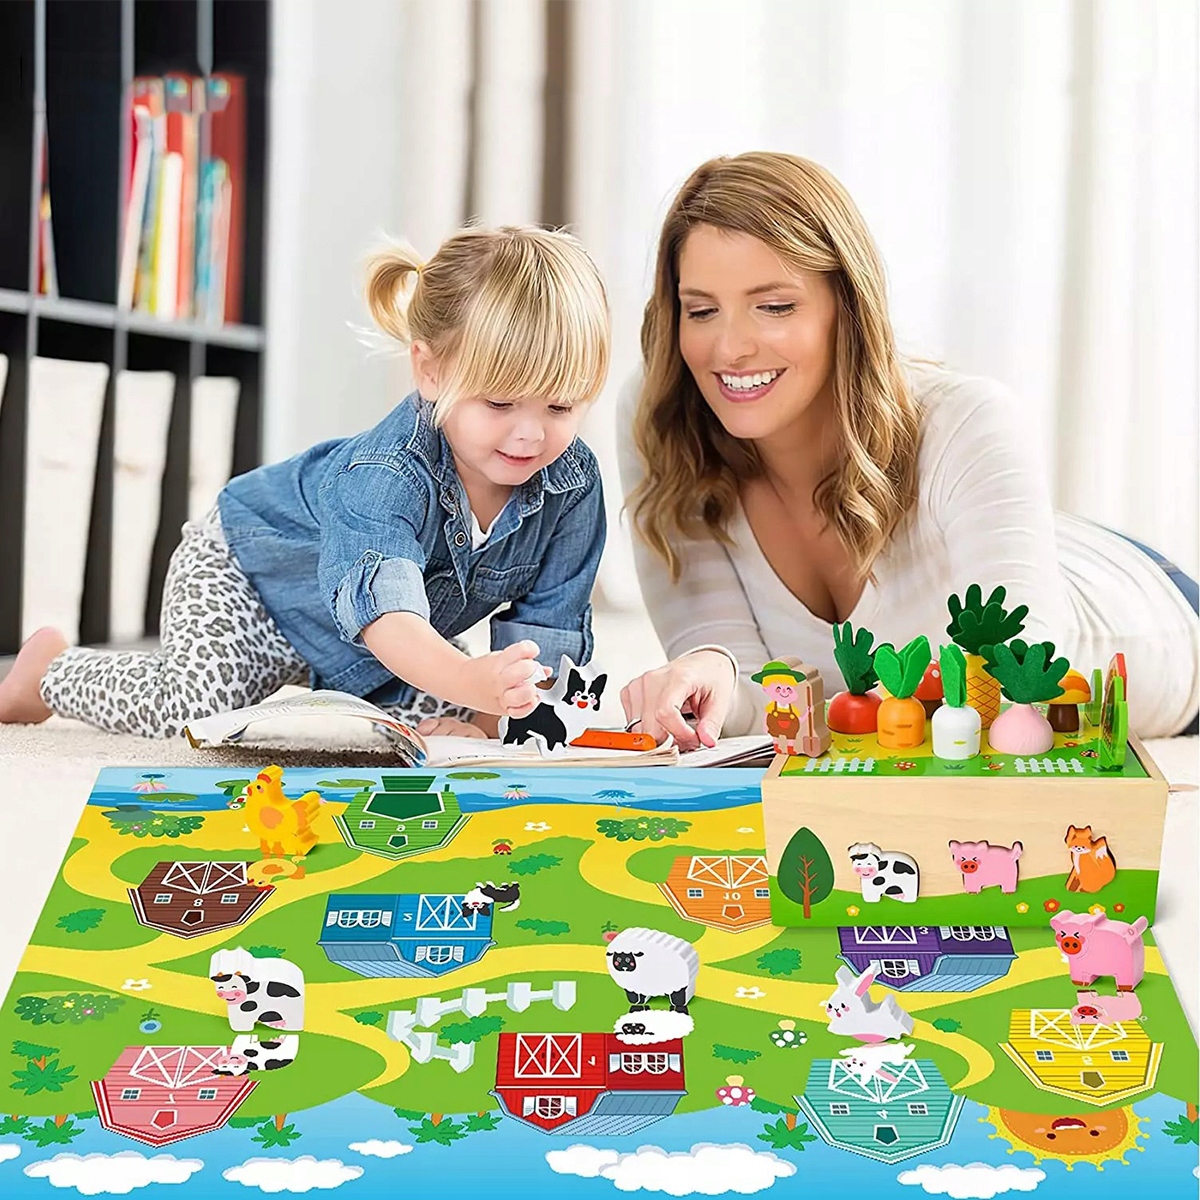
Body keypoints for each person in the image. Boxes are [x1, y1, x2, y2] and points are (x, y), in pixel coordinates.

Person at [617, 151, 1199, 748]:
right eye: (702, 311)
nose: (729, 348)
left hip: (1151, 605)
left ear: (847, 305)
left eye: (775, 306)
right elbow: (751, 701)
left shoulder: (968, 419)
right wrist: (711, 675)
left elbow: (1018, 687)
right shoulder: (664, 417)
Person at [0, 224, 611, 738]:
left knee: (424, 724)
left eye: (561, 406)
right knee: (195, 712)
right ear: (429, 371)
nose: (530, 435)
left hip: (369, 652)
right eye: (499, 403)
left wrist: (497, 716)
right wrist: (467, 681)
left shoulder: (572, 484)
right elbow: (387, 617)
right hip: (249, 581)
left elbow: (548, 628)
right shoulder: (385, 475)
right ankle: (50, 671)